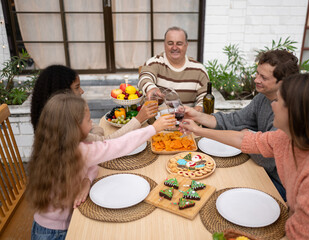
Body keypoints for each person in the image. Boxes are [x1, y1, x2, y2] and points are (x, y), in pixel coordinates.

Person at [180, 73, 309, 239]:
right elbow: (245, 139)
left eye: (278, 101)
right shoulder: (287, 137)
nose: (271, 104)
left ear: (293, 111)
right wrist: (197, 129)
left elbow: (302, 235)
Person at [26, 92, 176, 240]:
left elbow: (92, 164)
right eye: (89, 120)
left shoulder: (53, 145)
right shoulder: (81, 151)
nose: (92, 124)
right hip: (58, 232)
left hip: (42, 224)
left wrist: (86, 181)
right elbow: (118, 145)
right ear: (74, 127)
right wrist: (153, 129)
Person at [182, 49, 299, 201]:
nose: (256, 80)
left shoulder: (289, 113)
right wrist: (198, 116)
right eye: (257, 73)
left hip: (278, 184)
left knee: (217, 190)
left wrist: (246, 133)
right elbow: (235, 120)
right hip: (258, 169)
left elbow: (265, 159)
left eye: (263, 77)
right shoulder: (263, 98)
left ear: (283, 82)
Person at [30, 65, 157, 142]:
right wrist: (138, 119)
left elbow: (97, 129)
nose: (82, 91)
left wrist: (96, 135)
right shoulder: (67, 133)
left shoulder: (52, 122)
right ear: (61, 93)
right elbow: (108, 144)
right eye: (77, 87)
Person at [137, 26, 210, 112]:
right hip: (158, 121)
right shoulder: (154, 62)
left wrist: (196, 110)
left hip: (187, 120)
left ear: (186, 45)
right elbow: (145, 78)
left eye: (179, 44)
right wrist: (151, 89)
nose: (174, 47)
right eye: (170, 43)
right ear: (164, 45)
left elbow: (206, 97)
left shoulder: (199, 70)